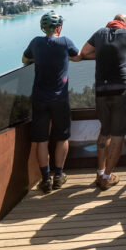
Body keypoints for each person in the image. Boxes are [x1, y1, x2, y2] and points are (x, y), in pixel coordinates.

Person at [76, 12, 126, 189]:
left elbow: (83, 53)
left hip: (101, 89)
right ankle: (107, 176)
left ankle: (99, 172)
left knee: (105, 130)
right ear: (125, 24)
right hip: (122, 89)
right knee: (118, 134)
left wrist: (102, 55)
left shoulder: (99, 33)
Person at [22, 10, 81, 193]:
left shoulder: (36, 42)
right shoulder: (65, 42)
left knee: (41, 139)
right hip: (60, 98)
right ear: (59, 28)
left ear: (43, 27)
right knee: (62, 137)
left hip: (39, 98)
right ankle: (59, 176)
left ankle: (45, 178)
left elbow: (25, 59)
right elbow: (78, 56)